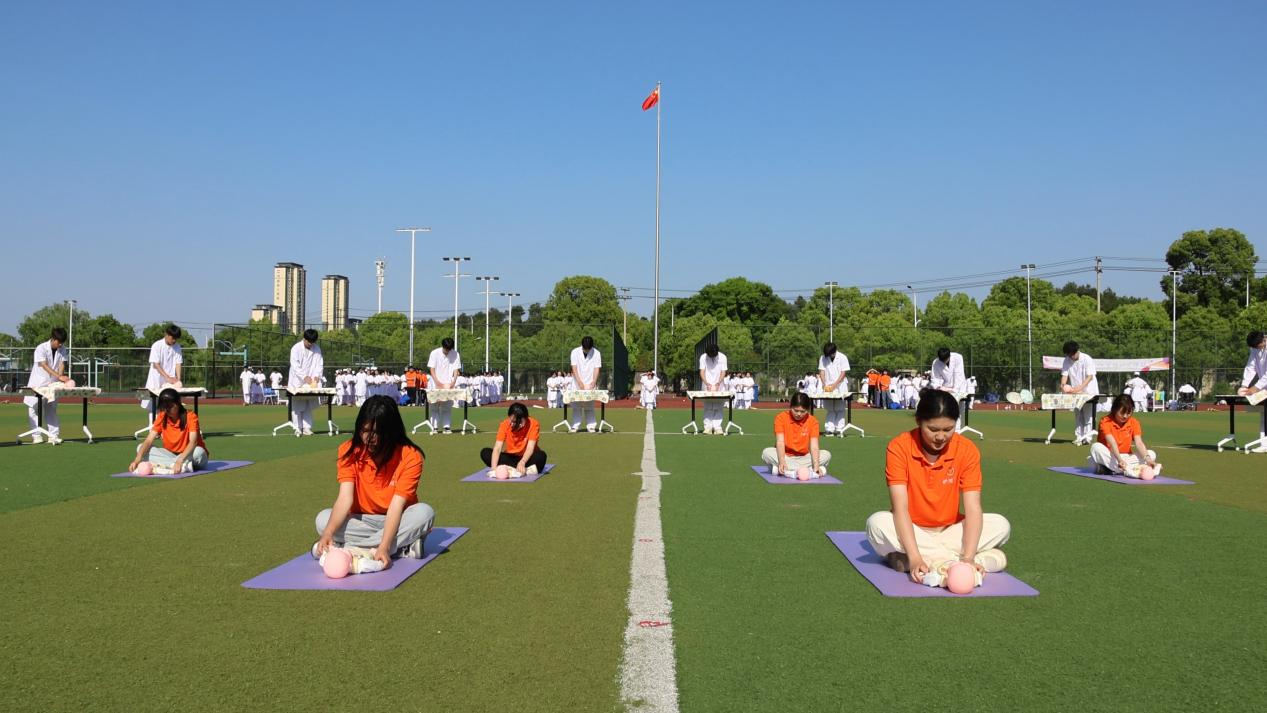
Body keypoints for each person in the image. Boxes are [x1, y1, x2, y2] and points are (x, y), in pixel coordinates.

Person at [865, 390, 1011, 590]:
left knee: (1001, 525)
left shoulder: (966, 449)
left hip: (950, 531)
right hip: (912, 531)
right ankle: (960, 562)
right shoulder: (899, 447)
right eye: (933, 429)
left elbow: (973, 508)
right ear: (919, 421)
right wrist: (915, 557)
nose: (941, 437)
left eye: (948, 429)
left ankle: (936, 562)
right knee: (876, 524)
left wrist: (968, 556)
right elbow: (900, 508)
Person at [313, 395, 436, 568]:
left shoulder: (410, 456)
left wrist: (384, 546)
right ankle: (402, 547)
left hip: (398, 518)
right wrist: (327, 533)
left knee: (424, 513)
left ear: (391, 431)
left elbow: (396, 506)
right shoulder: (349, 450)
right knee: (323, 520)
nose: (369, 438)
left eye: (377, 432)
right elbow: (345, 499)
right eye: (364, 430)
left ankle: (351, 549)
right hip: (361, 520)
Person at [130, 388, 209, 473]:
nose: (167, 410)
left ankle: (169, 464)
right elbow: (148, 441)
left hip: (190, 455)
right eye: (164, 407)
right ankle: (179, 466)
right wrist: (137, 459)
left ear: (178, 403)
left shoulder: (190, 416)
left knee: (199, 452)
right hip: (171, 454)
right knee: (140, 448)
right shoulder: (162, 416)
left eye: (170, 406)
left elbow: (193, 442)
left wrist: (180, 460)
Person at [761, 392, 831, 478]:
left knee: (826, 454)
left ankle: (787, 471)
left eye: (802, 411)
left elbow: (814, 446)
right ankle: (807, 470)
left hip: (804, 457)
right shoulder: (780, 418)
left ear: (808, 410)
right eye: (796, 410)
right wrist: (782, 461)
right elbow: (780, 442)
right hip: (785, 455)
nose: (799, 414)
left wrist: (816, 465)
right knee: (766, 453)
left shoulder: (813, 422)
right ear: (791, 407)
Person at [1088, 394, 1161, 477]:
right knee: (1095, 447)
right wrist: (1119, 460)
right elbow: (1112, 443)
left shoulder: (1134, 422)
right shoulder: (1105, 421)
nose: (1125, 416)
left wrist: (1148, 460)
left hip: (1126, 457)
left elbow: (1139, 443)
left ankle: (1113, 468)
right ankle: (1128, 469)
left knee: (1151, 454)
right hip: (1111, 456)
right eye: (1122, 413)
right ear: (1115, 410)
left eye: (1129, 413)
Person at [24, 327, 71, 444]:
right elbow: (44, 365)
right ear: (53, 339)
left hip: (52, 384)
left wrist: (60, 378)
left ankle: (53, 436)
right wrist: (59, 376)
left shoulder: (62, 348)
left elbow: (62, 364)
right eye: (59, 342)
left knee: (51, 409)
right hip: (38, 383)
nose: (60, 345)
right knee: (33, 408)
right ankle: (36, 436)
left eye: (62, 342)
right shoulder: (41, 348)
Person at [481, 402, 548, 477]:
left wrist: (522, 462)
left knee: (541, 456)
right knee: (485, 453)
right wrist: (494, 469)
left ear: (525, 419)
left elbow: (530, 447)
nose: (512, 424)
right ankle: (524, 471)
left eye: (516, 422)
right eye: (511, 420)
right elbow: (497, 448)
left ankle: (511, 469)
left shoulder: (533, 424)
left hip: (526, 458)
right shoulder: (504, 425)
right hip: (510, 457)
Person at [1060, 340, 1100, 443]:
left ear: (1076, 351)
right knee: (1078, 413)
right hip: (1075, 392)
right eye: (1068, 355)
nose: (1070, 357)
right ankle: (1079, 437)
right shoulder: (1067, 360)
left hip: (1089, 390)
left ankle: (1087, 438)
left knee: (1088, 414)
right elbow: (1064, 375)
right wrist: (1063, 385)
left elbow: (1090, 377)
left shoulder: (1087, 359)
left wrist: (1079, 388)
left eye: (1071, 354)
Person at [288, 329, 325, 436]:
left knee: (308, 404)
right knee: (297, 405)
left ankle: (307, 428)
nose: (310, 344)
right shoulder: (295, 349)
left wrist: (317, 376)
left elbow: (319, 364)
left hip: (311, 382)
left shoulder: (317, 348)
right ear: (304, 339)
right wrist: (304, 377)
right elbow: (295, 366)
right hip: (297, 381)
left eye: (312, 342)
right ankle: (297, 428)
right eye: (309, 342)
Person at [143, 324, 184, 413]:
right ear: (166, 334)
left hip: (169, 383)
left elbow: (178, 363)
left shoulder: (177, 346)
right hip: (155, 381)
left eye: (176, 338)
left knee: (168, 407)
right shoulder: (156, 345)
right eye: (173, 338)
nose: (174, 340)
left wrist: (178, 379)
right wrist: (167, 377)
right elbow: (156, 365)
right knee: (152, 408)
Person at [427, 337, 463, 433]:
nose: (447, 351)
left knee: (447, 405)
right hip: (435, 381)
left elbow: (456, 369)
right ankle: (434, 427)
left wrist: (453, 382)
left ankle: (446, 427)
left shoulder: (455, 354)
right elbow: (432, 369)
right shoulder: (434, 353)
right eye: (446, 349)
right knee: (434, 405)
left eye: (449, 349)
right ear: (442, 346)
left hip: (448, 382)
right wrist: (437, 382)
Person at [569, 335, 602, 432]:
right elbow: (574, 368)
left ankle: (591, 426)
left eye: (589, 349)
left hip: (590, 382)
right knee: (576, 405)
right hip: (577, 383)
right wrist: (579, 382)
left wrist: (594, 381)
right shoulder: (574, 352)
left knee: (589, 405)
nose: (587, 351)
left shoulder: (597, 353)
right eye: (585, 349)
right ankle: (575, 426)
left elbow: (597, 368)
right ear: (582, 346)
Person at [818, 342, 850, 435]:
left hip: (840, 385)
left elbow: (843, 373)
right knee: (830, 408)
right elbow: (822, 371)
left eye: (830, 354)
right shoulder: (823, 358)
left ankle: (840, 429)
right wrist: (824, 383)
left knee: (840, 407)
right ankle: (829, 429)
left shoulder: (842, 357)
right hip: (828, 386)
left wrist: (835, 385)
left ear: (834, 351)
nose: (828, 356)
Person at [699, 344, 728, 434]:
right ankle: (707, 427)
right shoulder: (703, 357)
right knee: (708, 406)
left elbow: (723, 371)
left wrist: (718, 382)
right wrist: (706, 382)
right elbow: (702, 371)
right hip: (707, 384)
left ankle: (717, 427)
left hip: (719, 384)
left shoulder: (723, 357)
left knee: (718, 406)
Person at [1239, 330, 1266, 397]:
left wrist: (1256, 387)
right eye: (1255, 347)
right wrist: (1244, 386)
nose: (1256, 348)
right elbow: (1251, 367)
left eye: (1257, 346)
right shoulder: (1255, 348)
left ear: (1263, 340)